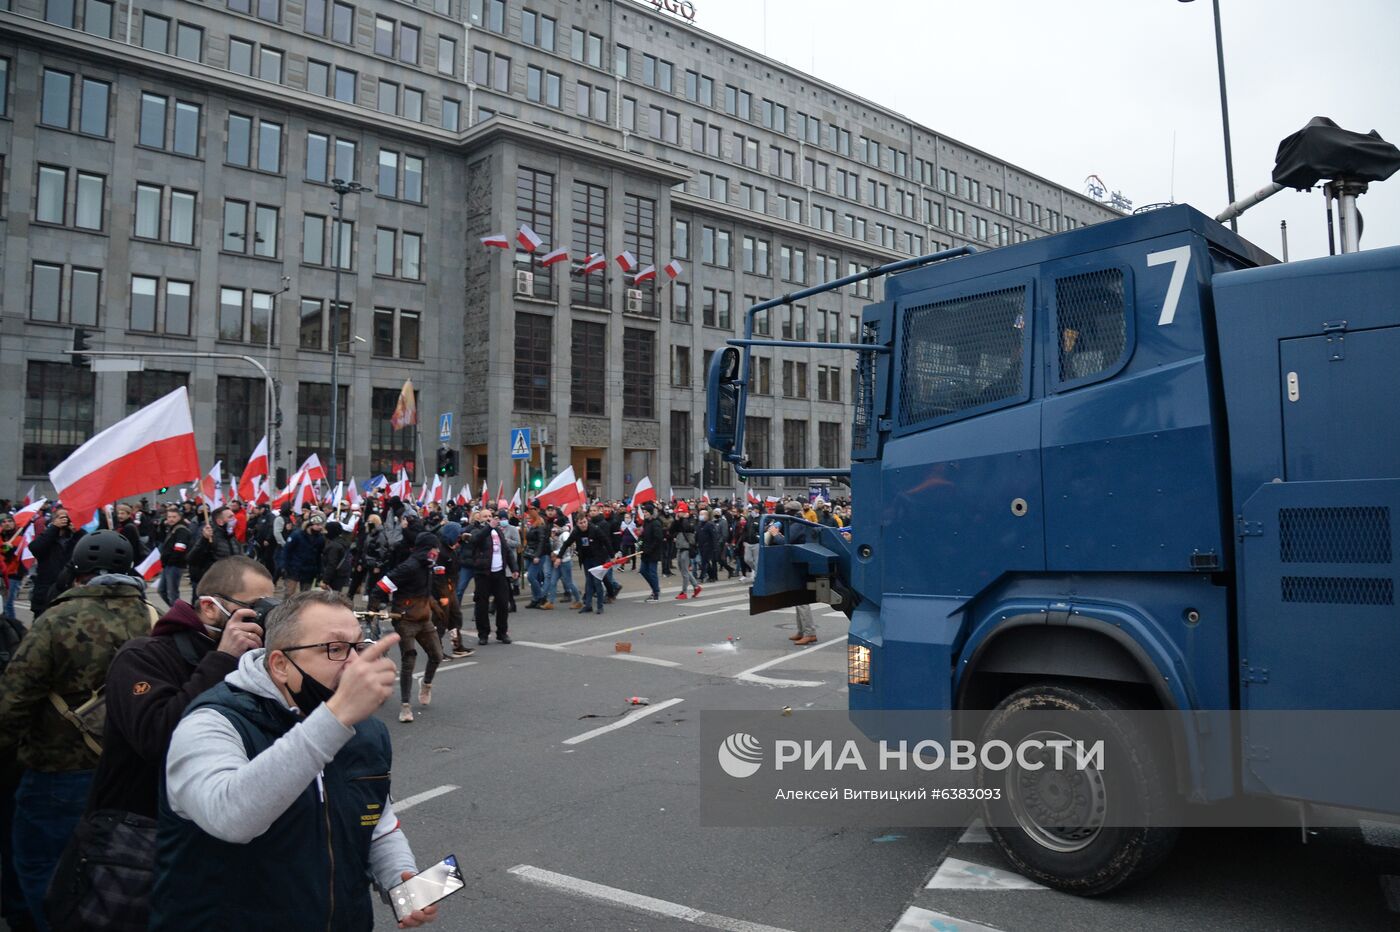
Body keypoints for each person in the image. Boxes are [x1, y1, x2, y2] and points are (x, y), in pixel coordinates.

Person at [149, 591, 437, 930]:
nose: (356, 663)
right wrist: (336, 716)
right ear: (280, 665)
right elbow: (229, 817)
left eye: (359, 646)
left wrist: (402, 882)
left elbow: (375, 822)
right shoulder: (212, 722)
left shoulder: (364, 729)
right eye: (334, 649)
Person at [0, 531, 154, 930]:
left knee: (41, 864)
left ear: (78, 574)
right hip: (130, 768)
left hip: (58, 768)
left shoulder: (55, 620)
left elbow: (13, 700)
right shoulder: (152, 617)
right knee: (112, 866)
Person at [382, 533, 446, 723]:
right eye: (434, 549)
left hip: (424, 620)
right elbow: (383, 585)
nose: (437, 552)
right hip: (405, 621)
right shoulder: (408, 567)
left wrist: (437, 609)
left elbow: (425, 593)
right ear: (427, 549)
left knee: (437, 655)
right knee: (408, 662)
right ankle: (405, 706)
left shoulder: (428, 567)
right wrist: (376, 605)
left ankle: (426, 684)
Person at [766, 502, 817, 645]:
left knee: (802, 600)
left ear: (792, 512)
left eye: (787, 510)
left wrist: (776, 534)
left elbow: (786, 542)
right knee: (798, 599)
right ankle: (802, 631)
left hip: (801, 564)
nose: (785, 512)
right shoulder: (794, 523)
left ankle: (809, 632)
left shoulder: (798, 524)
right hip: (797, 563)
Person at [470, 511, 518, 644]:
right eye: (485, 516)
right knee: (482, 605)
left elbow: (507, 551)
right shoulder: (476, 530)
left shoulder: (498, 532)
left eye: (490, 516)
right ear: (480, 518)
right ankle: (483, 634)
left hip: (499, 573)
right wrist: (488, 527)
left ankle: (502, 632)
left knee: (503, 603)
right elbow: (475, 540)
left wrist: (514, 568)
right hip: (483, 573)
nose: (488, 519)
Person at [27, 507, 80, 619]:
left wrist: (78, 531)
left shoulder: (74, 539)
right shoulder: (48, 538)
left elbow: (85, 550)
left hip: (68, 593)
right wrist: (54, 528)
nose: (64, 520)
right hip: (45, 592)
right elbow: (35, 548)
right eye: (61, 517)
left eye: (67, 517)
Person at [560, 515, 614, 615]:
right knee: (589, 582)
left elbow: (606, 541)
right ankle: (588, 606)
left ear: (587, 521)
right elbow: (566, 544)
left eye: (585, 522)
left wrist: (612, 555)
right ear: (577, 524)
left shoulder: (595, 529)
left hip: (597, 559)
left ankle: (600, 606)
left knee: (597, 582)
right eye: (581, 523)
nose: (583, 524)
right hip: (586, 560)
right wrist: (559, 556)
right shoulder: (576, 532)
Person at [156, 506, 191, 607]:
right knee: (162, 590)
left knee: (172, 593)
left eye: (174, 517)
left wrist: (171, 560)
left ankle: (178, 613)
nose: (171, 519)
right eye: (169, 517)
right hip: (168, 564)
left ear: (179, 517)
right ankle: (175, 610)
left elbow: (180, 548)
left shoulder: (181, 530)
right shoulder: (172, 529)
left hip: (175, 565)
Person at [281, 513, 325, 594]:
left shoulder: (320, 539)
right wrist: (284, 566)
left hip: (309, 571)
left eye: (321, 525)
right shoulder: (296, 535)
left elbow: (319, 556)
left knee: (305, 596)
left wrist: (319, 571)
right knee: (289, 593)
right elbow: (286, 551)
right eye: (317, 525)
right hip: (294, 569)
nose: (320, 527)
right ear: (310, 525)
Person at [670, 502, 700, 600]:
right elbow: (671, 531)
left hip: (687, 548)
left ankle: (684, 592)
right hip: (679, 547)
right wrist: (676, 520)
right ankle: (696, 586)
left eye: (681, 512)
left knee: (685, 571)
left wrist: (683, 519)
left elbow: (688, 528)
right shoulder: (679, 521)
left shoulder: (690, 520)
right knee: (683, 570)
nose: (679, 514)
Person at [637, 505, 664, 602]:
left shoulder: (656, 523)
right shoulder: (646, 523)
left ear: (651, 513)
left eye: (646, 512)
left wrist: (650, 549)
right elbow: (643, 536)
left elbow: (658, 539)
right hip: (645, 551)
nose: (645, 514)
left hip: (653, 552)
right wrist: (639, 544)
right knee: (643, 570)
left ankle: (655, 592)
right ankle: (655, 587)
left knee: (652, 572)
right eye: (644, 512)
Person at [320, 521, 353, 593]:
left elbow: (331, 564)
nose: (324, 532)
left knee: (331, 598)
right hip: (341, 575)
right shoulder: (343, 542)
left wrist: (325, 581)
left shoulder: (334, 546)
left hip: (334, 577)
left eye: (326, 530)